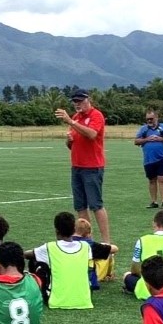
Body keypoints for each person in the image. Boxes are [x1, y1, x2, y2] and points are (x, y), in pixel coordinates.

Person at [54, 88, 111, 244]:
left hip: (92, 166)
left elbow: (92, 134)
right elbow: (72, 145)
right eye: (75, 102)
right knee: (80, 206)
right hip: (77, 166)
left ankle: (106, 241)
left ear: (88, 100)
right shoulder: (76, 117)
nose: (77, 104)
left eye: (80, 101)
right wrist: (69, 140)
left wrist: (71, 122)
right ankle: (86, 240)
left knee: (96, 205)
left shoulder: (96, 115)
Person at [26, 211, 93, 309]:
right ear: (74, 229)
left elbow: (26, 255)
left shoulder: (49, 247)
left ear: (56, 230)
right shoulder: (85, 246)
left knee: (35, 261)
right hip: (84, 299)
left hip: (56, 301)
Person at [124, 209, 163, 299]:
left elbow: (135, 268)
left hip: (150, 290)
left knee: (127, 275)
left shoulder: (143, 241)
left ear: (154, 223)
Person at [134, 109, 163, 208]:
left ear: (156, 117)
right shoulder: (144, 129)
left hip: (162, 158)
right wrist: (147, 139)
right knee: (152, 180)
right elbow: (136, 141)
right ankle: (154, 201)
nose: (149, 121)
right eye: (147, 119)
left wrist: (161, 139)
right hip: (148, 160)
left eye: (151, 119)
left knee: (162, 179)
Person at [73, 217, 118, 289]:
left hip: (68, 274)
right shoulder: (90, 244)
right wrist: (104, 245)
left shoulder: (64, 242)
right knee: (109, 255)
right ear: (88, 234)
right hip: (87, 278)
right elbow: (115, 249)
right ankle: (109, 275)